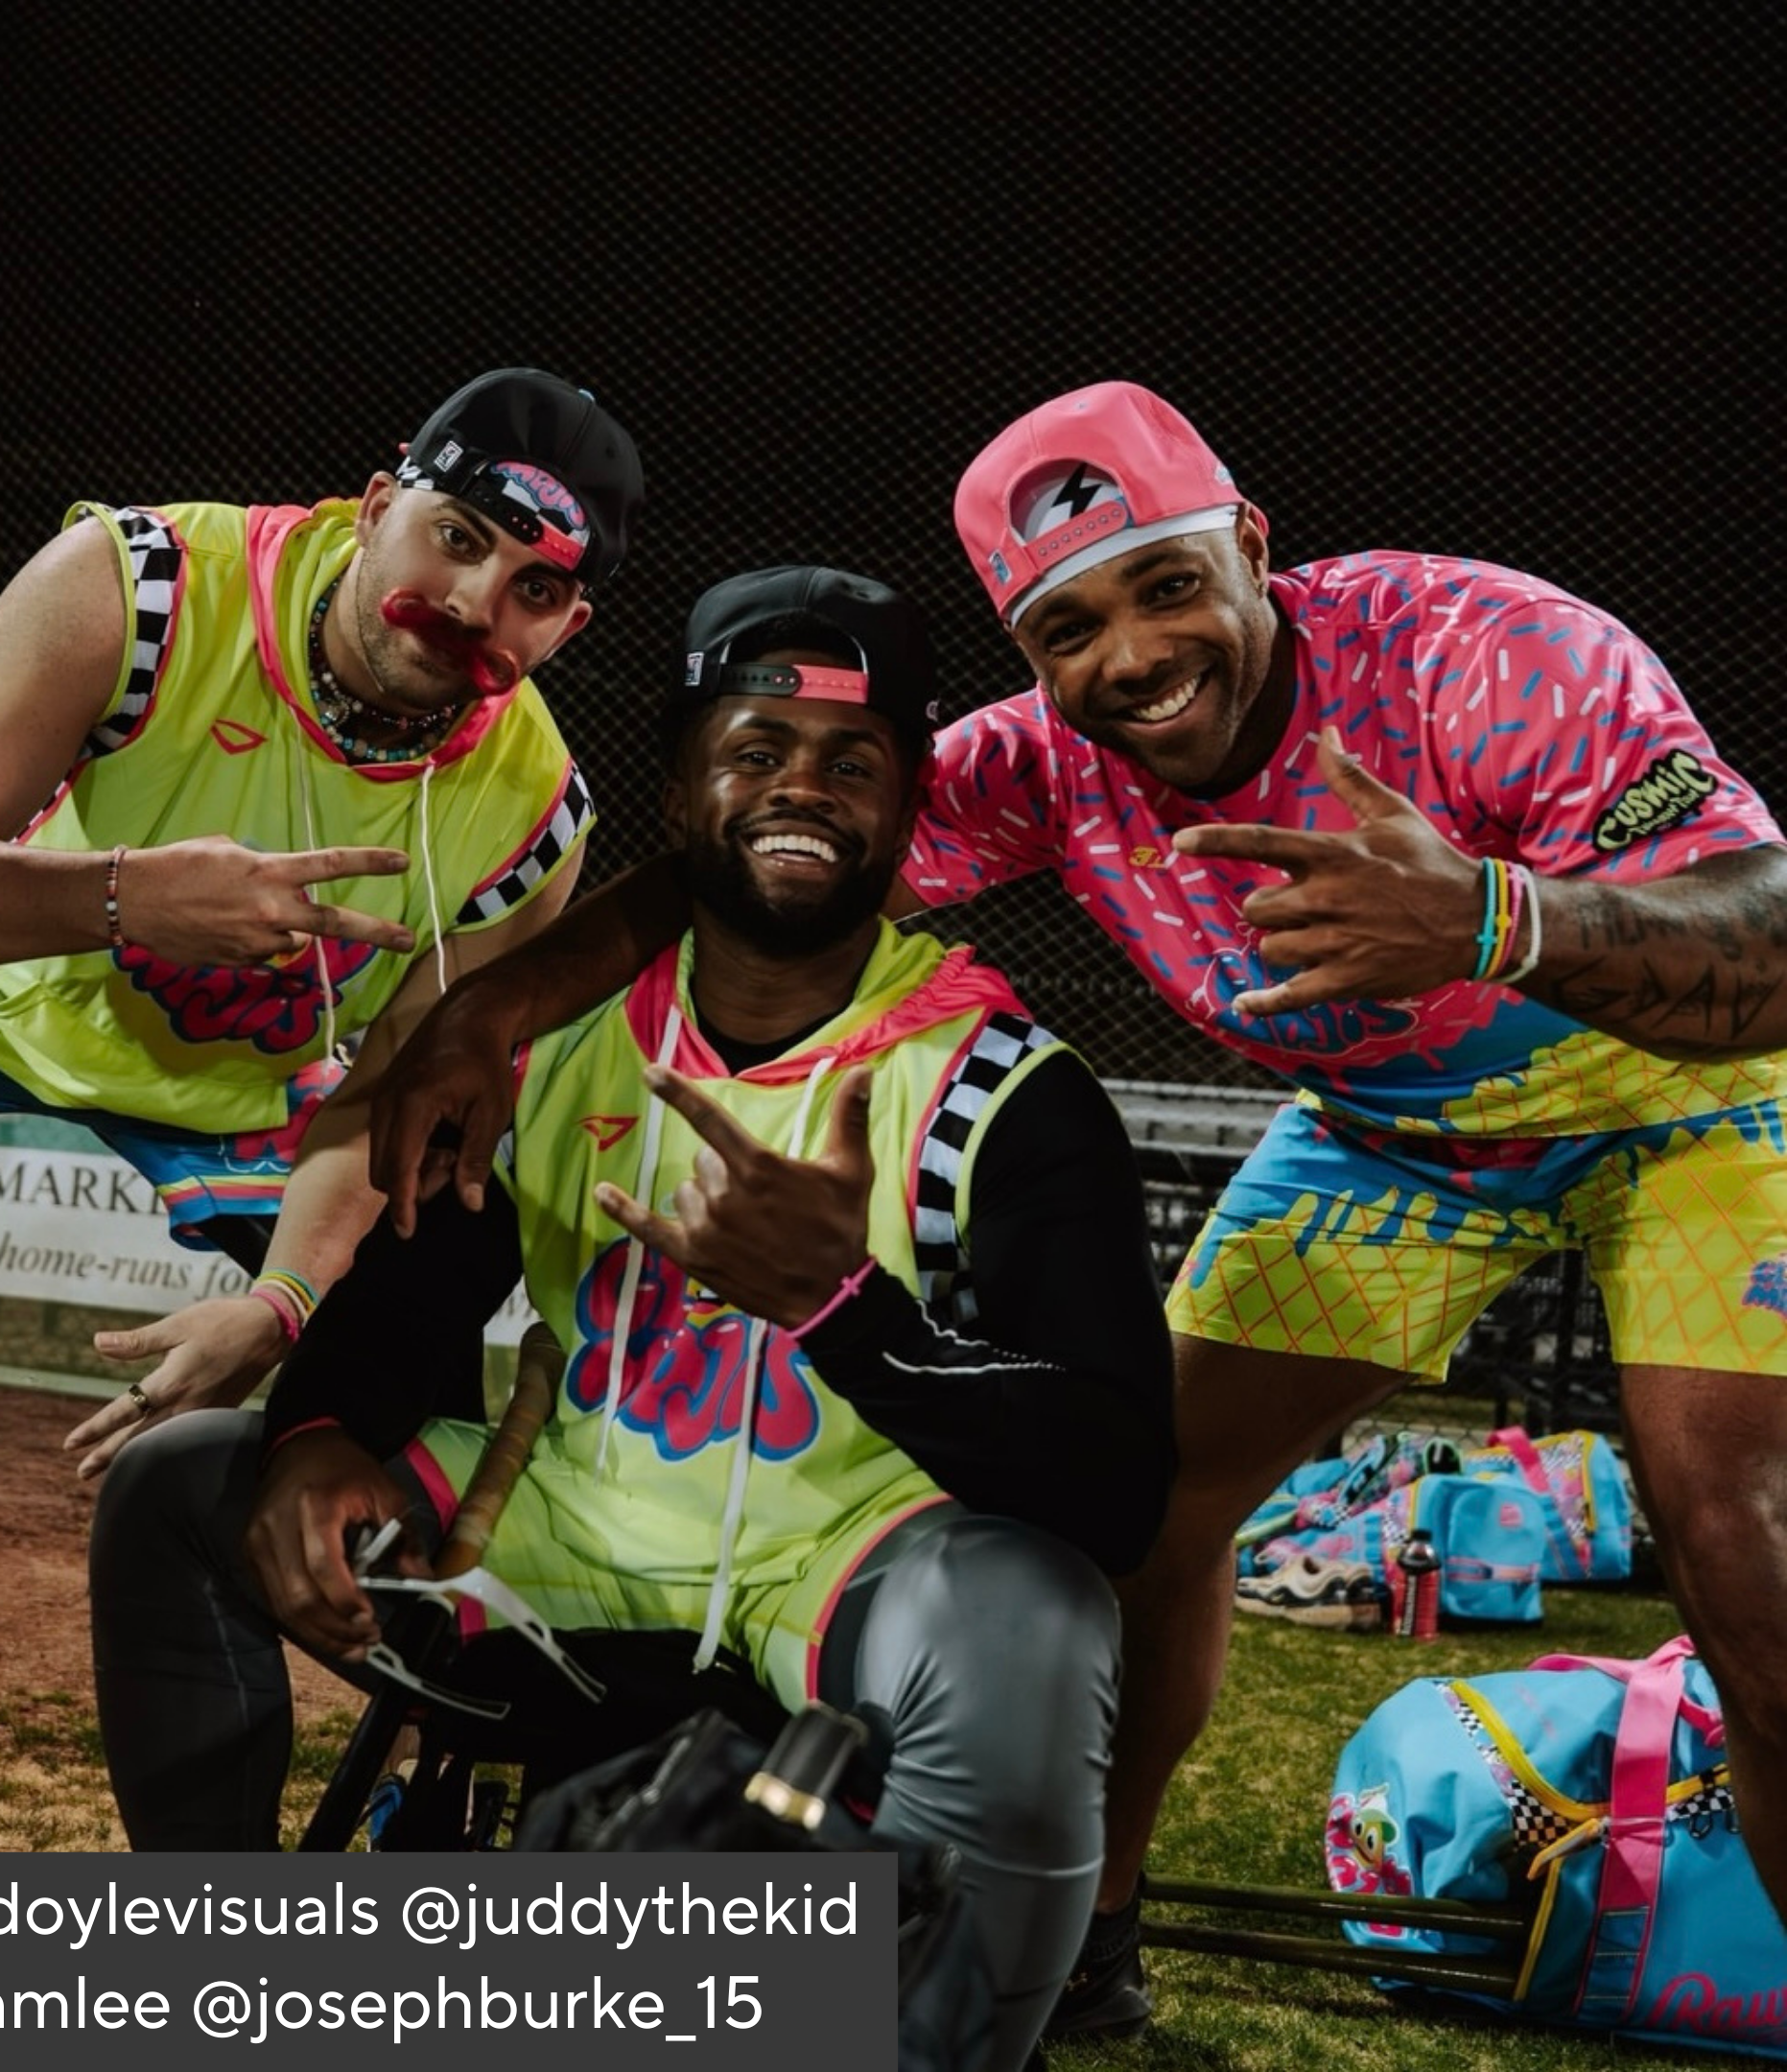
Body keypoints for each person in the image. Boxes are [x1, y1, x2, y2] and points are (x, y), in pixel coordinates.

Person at [361, 382, 1787, 2042]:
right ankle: (1093, 1931)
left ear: (1251, 543)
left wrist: (1495, 919)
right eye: (1068, 628)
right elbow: (750, 852)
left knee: (1745, 1567)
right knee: (1145, 1505)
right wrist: (490, 1014)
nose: (1133, 655)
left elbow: (1767, 933)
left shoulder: (1481, 652)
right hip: (1401, 1146)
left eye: (1169, 586)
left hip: (1692, 1111)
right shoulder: (1046, 765)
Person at [89, 565, 1177, 2072]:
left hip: (833, 1591)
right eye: (756, 751)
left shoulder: (1004, 1090)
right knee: (179, 1488)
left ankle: (928, 2039)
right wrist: (321, 1435)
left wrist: (842, 1308)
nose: (801, 790)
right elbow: (408, 1297)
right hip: (559, 1552)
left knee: (1031, 1614)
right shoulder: (549, 1050)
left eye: (852, 764)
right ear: (678, 791)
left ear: (908, 811)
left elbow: (1116, 1486)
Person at [0, 366, 641, 1475]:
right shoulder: (144, 584)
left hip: (235, 1081)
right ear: (376, 506)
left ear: (570, 625)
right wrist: (127, 899)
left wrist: (285, 1303)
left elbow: (390, 1090)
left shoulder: (537, 814)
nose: (474, 604)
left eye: (534, 588)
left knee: (409, 1351)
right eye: (457, 536)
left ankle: (350, 1575)